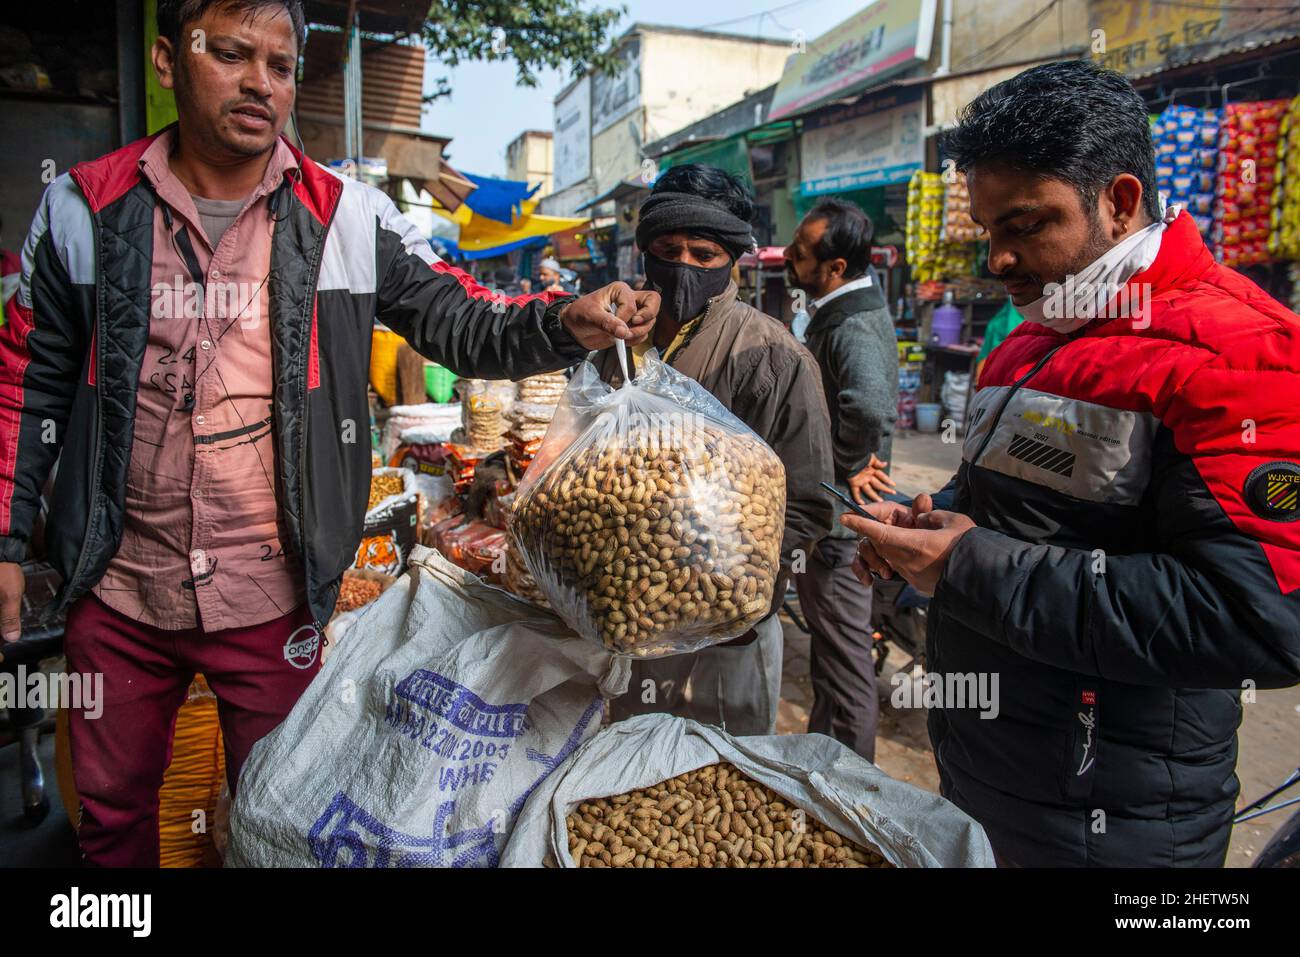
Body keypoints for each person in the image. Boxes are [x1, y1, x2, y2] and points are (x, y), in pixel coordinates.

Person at [0, 0, 657, 867]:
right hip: (118, 589)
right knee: (113, 824)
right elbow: (25, 384)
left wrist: (562, 320)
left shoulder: (348, 216)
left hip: (275, 595)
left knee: (282, 814)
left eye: (280, 65)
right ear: (166, 62)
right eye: (230, 55)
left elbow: (457, 318)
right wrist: (9, 542)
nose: (258, 84)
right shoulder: (83, 211)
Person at [844, 60, 1300, 867]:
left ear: (1120, 201)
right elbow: (1008, 506)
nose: (1000, 260)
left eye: (1025, 226)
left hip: (1116, 816)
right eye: (989, 232)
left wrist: (968, 564)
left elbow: (1259, 617)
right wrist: (926, 521)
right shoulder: (1027, 338)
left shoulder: (1239, 350)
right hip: (989, 770)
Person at [595, 163, 834, 735]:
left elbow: (811, 501)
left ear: (732, 259)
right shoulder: (615, 340)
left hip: (727, 630)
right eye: (668, 249)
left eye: (703, 254)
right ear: (645, 252)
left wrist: (716, 574)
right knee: (629, 769)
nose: (683, 265)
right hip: (630, 616)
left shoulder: (773, 357)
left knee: (723, 778)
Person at [783, 197, 898, 761]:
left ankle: (852, 782)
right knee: (832, 650)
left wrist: (846, 464)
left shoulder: (850, 322)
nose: (790, 259)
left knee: (845, 657)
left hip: (838, 524)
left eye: (801, 254)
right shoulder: (839, 307)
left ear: (835, 268)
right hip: (836, 517)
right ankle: (826, 762)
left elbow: (870, 406)